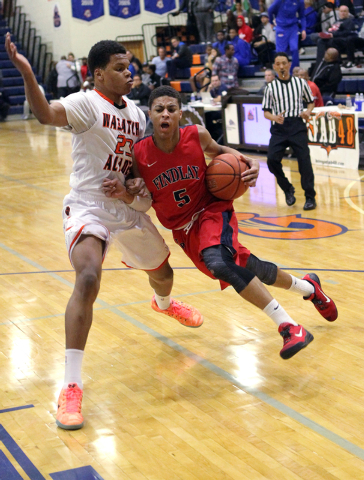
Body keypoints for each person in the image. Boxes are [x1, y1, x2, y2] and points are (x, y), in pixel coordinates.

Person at [5, 34, 203, 430]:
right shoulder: (85, 102)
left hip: (123, 208)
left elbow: (133, 168)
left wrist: (132, 187)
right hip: (88, 205)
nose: (128, 71)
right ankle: (72, 387)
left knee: (164, 275)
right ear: (98, 74)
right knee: (89, 276)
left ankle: (163, 305)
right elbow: (45, 114)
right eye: (118, 67)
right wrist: (28, 73)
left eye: (128, 65)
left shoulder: (133, 114)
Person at [103, 85, 338, 362]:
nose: (165, 114)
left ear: (180, 114)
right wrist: (132, 187)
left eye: (171, 109)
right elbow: (135, 188)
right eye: (159, 110)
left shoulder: (196, 135)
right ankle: (310, 288)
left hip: (212, 210)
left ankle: (289, 326)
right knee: (248, 267)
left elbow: (219, 151)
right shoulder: (139, 153)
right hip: (182, 230)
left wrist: (246, 160)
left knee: (218, 262)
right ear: (150, 116)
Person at [262, 52, 317, 211]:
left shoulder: (300, 83)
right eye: (278, 64)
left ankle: (310, 197)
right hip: (279, 127)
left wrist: (307, 112)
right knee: (272, 160)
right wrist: (275, 117)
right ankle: (287, 188)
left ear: (289, 65)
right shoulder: (270, 87)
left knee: (304, 161)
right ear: (274, 67)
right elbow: (266, 112)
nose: (281, 66)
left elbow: (310, 103)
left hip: (296, 125)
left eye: (284, 63)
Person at [268, 0, 306, 71]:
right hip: (281, 27)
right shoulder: (279, 1)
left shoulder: (299, 1)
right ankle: (280, 72)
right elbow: (270, 10)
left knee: (294, 48)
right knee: (281, 52)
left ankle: (295, 71)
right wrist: (271, 22)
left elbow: (302, 16)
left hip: (293, 27)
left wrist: (303, 29)